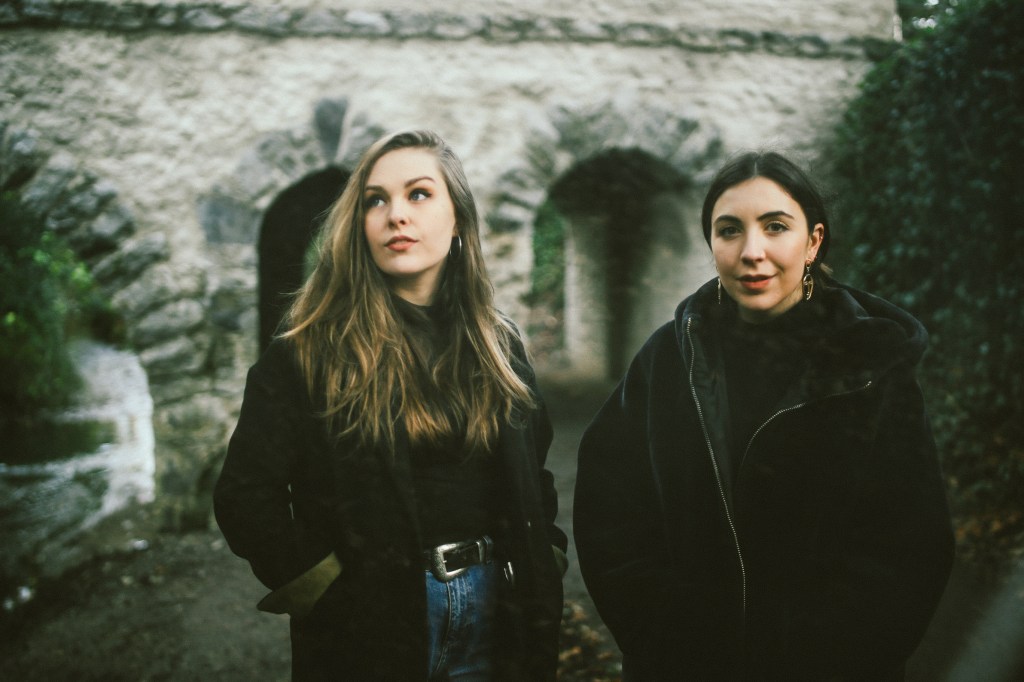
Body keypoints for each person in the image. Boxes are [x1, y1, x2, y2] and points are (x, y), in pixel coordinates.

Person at [573, 151, 954, 680]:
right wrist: (665, 631)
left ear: (813, 241)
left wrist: (831, 651)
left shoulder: (871, 365)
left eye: (776, 227)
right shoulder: (669, 359)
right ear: (711, 244)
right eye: (729, 231)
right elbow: (609, 509)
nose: (753, 252)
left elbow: (910, 542)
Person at [214, 129, 567, 681]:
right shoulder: (307, 352)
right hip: (368, 626)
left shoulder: (501, 348)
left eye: (419, 194)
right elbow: (245, 495)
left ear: (459, 221)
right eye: (375, 200)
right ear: (360, 225)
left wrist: (548, 556)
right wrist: (323, 584)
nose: (395, 214)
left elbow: (533, 475)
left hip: (499, 618)